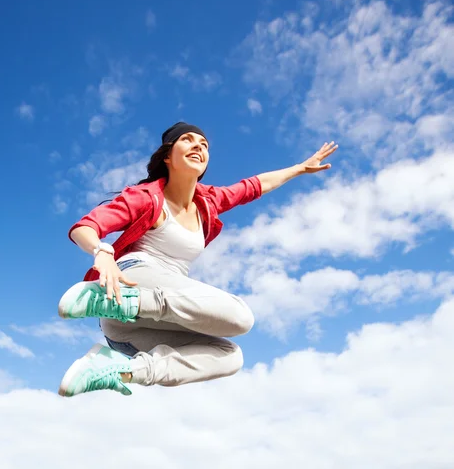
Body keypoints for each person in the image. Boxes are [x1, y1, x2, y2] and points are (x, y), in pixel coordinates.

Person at [57, 122, 338, 397]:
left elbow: (254, 186)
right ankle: (113, 301)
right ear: (168, 155)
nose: (198, 146)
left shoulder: (208, 201)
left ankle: (117, 370)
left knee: (230, 356)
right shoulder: (146, 197)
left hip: (129, 331)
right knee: (240, 317)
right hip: (130, 282)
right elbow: (86, 227)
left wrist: (300, 168)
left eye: (204, 144)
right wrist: (103, 253)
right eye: (188, 140)